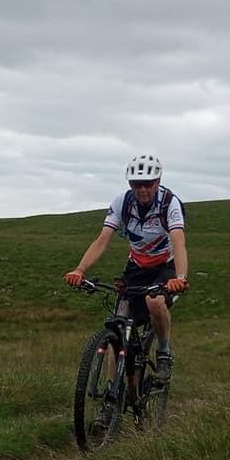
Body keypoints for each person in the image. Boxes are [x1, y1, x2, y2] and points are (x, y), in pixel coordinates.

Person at [63, 153, 189, 383]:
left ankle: (163, 353)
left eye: (147, 184)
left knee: (155, 301)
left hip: (165, 266)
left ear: (157, 182)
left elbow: (179, 241)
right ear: (130, 184)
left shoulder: (170, 203)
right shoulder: (123, 202)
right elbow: (102, 240)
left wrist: (180, 277)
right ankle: (112, 399)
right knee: (118, 329)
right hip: (137, 266)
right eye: (136, 184)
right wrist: (80, 270)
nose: (142, 190)